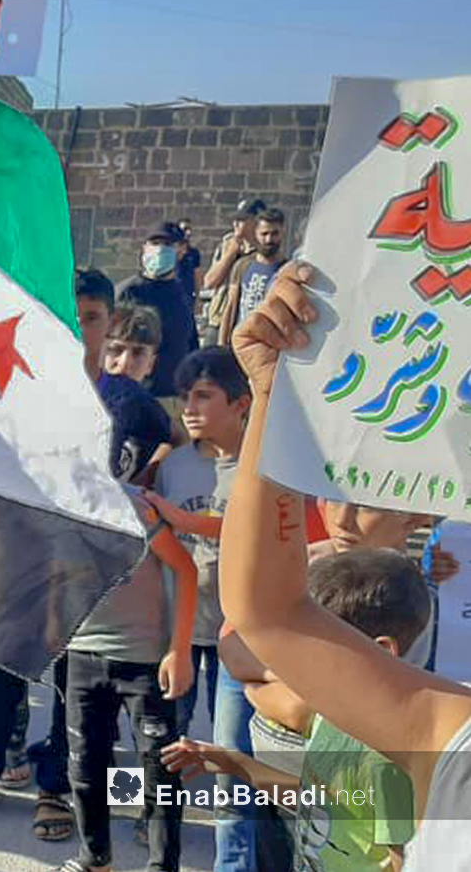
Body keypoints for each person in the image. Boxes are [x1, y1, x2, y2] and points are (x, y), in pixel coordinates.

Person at [222, 260, 471, 871]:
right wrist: (274, 398)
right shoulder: (456, 741)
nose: (342, 513)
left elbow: (267, 617)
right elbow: (265, 613)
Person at [165, 549, 427, 871]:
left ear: (380, 649)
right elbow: (315, 802)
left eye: (312, 643)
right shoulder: (328, 715)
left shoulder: (387, 761)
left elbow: (407, 862)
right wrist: (233, 763)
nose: (294, 657)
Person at [55, 488, 198, 872]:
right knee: (86, 767)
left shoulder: (130, 504)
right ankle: (95, 858)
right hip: (82, 655)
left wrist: (179, 649)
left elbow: (186, 568)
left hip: (144, 660)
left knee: (158, 772)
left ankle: (161, 864)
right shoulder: (46, 497)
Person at [144, 347, 251, 737]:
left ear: (241, 403)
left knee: (233, 745)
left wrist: (182, 519)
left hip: (239, 629)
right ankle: (156, 799)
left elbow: (257, 531)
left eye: (203, 395)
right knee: (163, 736)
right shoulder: (174, 466)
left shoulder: (259, 469)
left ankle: (236, 797)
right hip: (180, 627)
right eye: (185, 395)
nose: (189, 407)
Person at [118, 222, 200, 413]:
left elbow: (190, 343)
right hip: (134, 395)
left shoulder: (181, 295)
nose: (160, 249)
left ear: (181, 251)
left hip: (173, 398)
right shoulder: (128, 292)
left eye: (168, 245)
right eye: (155, 243)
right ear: (144, 248)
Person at [98, 304, 182, 484]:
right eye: (116, 349)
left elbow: (178, 438)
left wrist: (145, 479)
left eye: (138, 353)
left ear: (151, 363)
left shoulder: (148, 408)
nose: (125, 362)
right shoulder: (85, 394)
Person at [219, 208, 288, 346]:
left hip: (270, 345)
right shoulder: (243, 266)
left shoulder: (286, 269)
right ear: (256, 233)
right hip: (241, 343)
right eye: (264, 234)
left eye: (274, 234)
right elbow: (231, 306)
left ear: (282, 233)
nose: (269, 239)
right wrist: (222, 343)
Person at [202, 199, 266, 346]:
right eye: (235, 219)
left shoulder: (264, 252)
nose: (235, 224)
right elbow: (210, 282)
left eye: (242, 220)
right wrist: (231, 253)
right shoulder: (227, 244)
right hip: (218, 321)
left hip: (245, 325)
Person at [75, 269, 115, 384]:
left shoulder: (128, 398)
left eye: (91, 318)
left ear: (111, 323)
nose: (80, 328)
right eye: (72, 318)